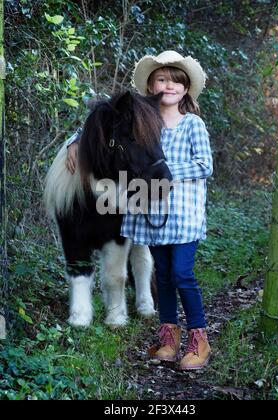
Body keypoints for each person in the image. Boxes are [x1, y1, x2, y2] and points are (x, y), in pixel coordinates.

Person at [65, 51, 213, 370]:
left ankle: (199, 338)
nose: (168, 85)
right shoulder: (143, 116)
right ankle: (169, 336)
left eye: (175, 81)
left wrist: (161, 168)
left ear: (186, 89)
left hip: (183, 216)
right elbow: (103, 126)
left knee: (182, 273)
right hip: (151, 213)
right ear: (150, 86)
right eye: (161, 79)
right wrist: (74, 141)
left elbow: (204, 165)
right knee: (163, 274)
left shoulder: (192, 124)